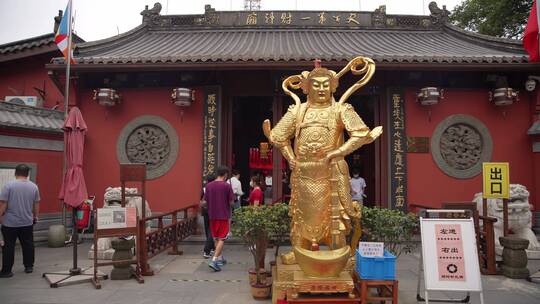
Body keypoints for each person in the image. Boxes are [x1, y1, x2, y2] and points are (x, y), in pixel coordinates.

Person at [263, 58, 382, 264]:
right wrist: (290, 157)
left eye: (326, 85)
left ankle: (340, 252)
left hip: (333, 171)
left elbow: (361, 134)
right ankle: (300, 251)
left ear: (333, 87)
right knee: (301, 214)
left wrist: (339, 152)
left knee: (336, 216)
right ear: (307, 88)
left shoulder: (341, 110)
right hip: (303, 172)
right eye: (316, 85)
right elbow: (277, 136)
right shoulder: (298, 111)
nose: (321, 89)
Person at [0, 164, 40, 278]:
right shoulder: (34, 187)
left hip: (10, 223)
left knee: (9, 246)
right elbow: (36, 203)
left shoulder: (9, 186)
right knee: (28, 244)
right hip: (27, 221)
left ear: (15, 173)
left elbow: (3, 203)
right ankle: (28, 266)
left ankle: (6, 271)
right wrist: (36, 216)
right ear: (27, 174)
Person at [204, 166, 234, 272]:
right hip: (223, 215)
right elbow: (231, 202)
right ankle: (214, 260)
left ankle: (220, 258)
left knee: (216, 237)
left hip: (212, 215)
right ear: (225, 174)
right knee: (222, 238)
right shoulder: (227, 186)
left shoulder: (208, 186)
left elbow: (205, 201)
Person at [200, 174, 216, 259]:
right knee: (211, 230)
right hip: (213, 211)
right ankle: (207, 249)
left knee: (207, 229)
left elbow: (201, 200)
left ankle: (212, 247)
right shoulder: (214, 188)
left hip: (205, 211)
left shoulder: (204, 188)